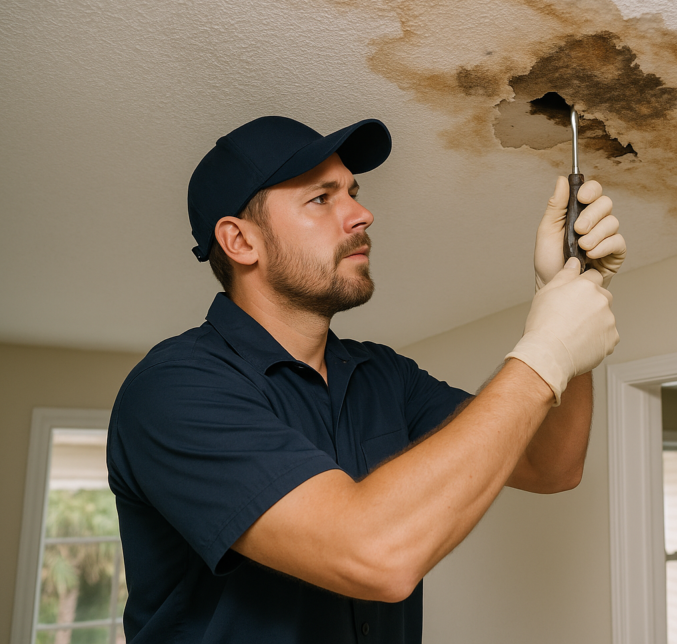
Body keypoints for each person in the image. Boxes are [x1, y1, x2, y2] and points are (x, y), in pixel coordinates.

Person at [107, 115, 625, 643]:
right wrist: (544, 352)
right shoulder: (173, 389)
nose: (362, 214)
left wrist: (565, 293)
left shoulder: (384, 375)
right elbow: (375, 555)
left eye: (352, 193)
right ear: (240, 241)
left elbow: (550, 464)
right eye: (321, 198)